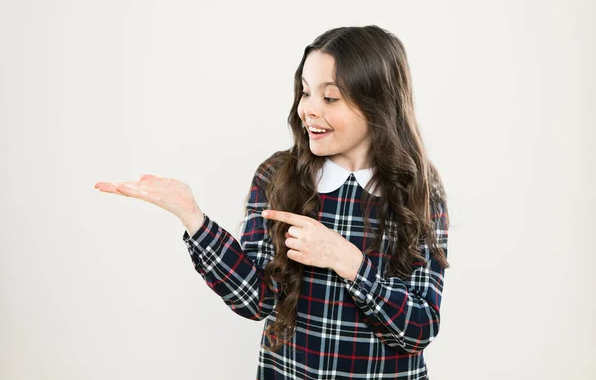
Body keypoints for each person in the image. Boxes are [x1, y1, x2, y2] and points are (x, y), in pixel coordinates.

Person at [94, 25, 450, 380]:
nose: (308, 110)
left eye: (329, 98)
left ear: (377, 103)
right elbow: (256, 299)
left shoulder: (419, 190)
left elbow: (418, 329)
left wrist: (348, 261)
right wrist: (193, 217)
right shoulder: (278, 175)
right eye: (305, 93)